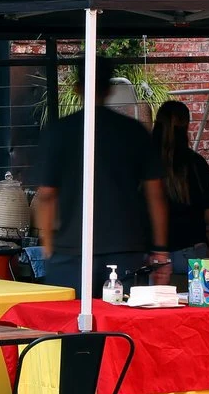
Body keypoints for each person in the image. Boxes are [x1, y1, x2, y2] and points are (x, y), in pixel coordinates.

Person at [32, 88, 168, 292]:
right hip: (124, 246)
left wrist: (49, 247)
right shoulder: (133, 130)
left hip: (71, 248)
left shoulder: (59, 131)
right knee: (121, 320)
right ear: (110, 89)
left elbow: (46, 194)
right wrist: (160, 250)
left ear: (78, 88)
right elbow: (155, 194)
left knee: (69, 320)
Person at [154, 99, 209, 258]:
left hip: (154, 255)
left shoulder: (146, 161)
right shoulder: (198, 163)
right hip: (194, 249)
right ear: (187, 126)